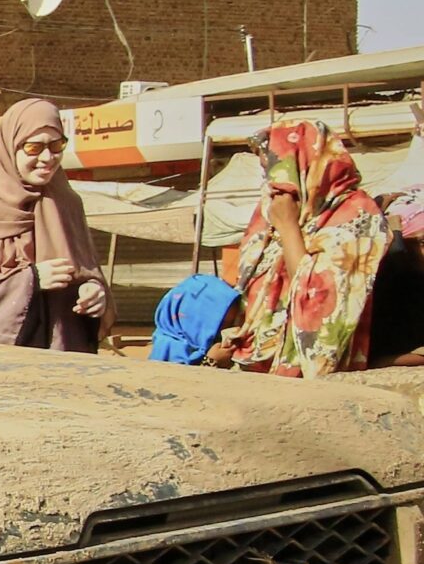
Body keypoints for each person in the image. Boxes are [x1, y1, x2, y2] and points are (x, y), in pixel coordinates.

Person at [0, 98, 108, 350]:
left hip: (63, 357)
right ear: (10, 148)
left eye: (56, 145)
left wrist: (95, 291)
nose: (48, 158)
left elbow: (88, 270)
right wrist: (29, 281)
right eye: (34, 148)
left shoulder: (67, 204)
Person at [233, 119, 394, 378]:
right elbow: (246, 290)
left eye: (278, 171)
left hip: (312, 382)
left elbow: (317, 308)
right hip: (256, 369)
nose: (271, 184)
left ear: (308, 166)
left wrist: (288, 229)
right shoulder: (272, 212)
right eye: (266, 172)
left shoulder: (355, 216)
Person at [148, 273, 247, 366]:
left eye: (230, 324)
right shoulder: (167, 349)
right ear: (192, 322)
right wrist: (210, 362)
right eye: (219, 326)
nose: (225, 333)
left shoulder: (218, 349)